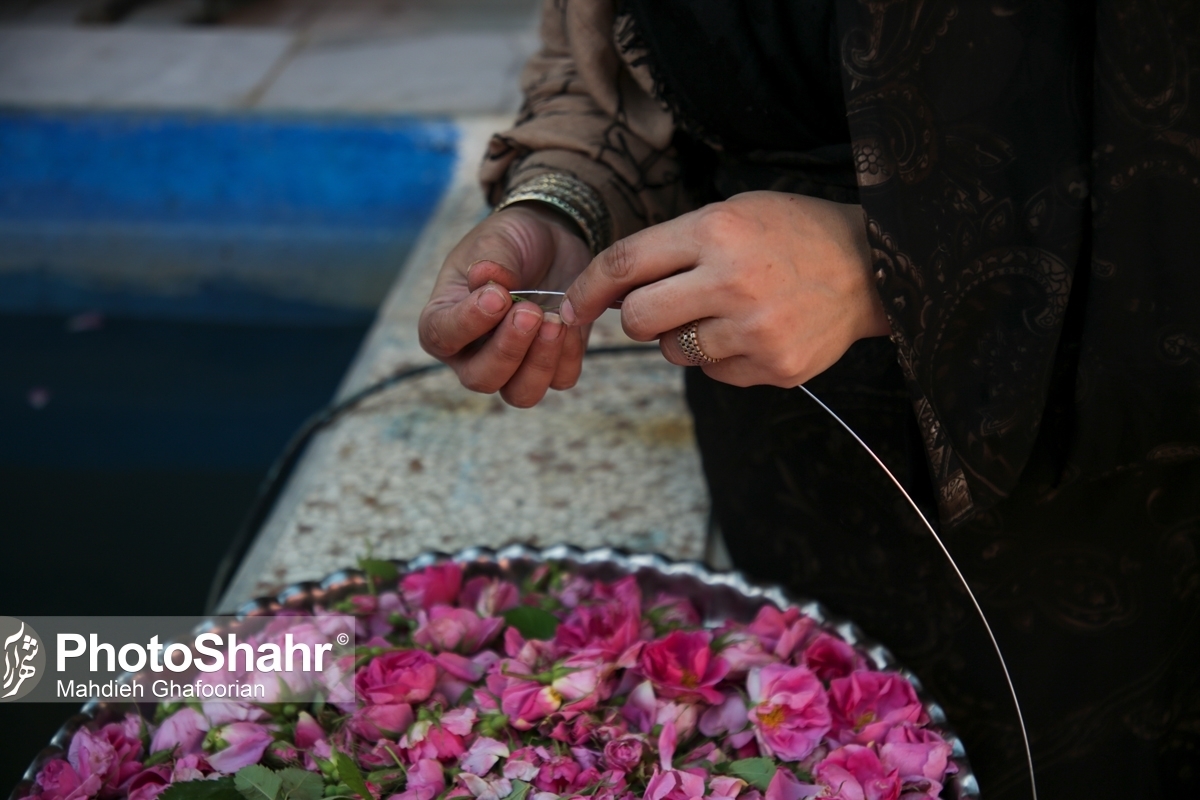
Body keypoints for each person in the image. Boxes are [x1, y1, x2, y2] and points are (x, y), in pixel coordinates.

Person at [419, 2, 1200, 796]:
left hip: (1092, 525)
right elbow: (617, 61)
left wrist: (882, 266)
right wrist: (562, 206)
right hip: (780, 468)